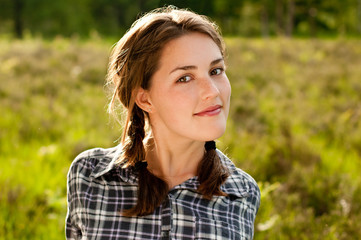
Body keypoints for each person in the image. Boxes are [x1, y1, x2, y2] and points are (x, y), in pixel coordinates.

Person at [66, 6, 260, 240]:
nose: (212, 91)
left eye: (216, 70)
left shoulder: (241, 193)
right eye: (184, 78)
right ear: (145, 98)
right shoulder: (90, 176)